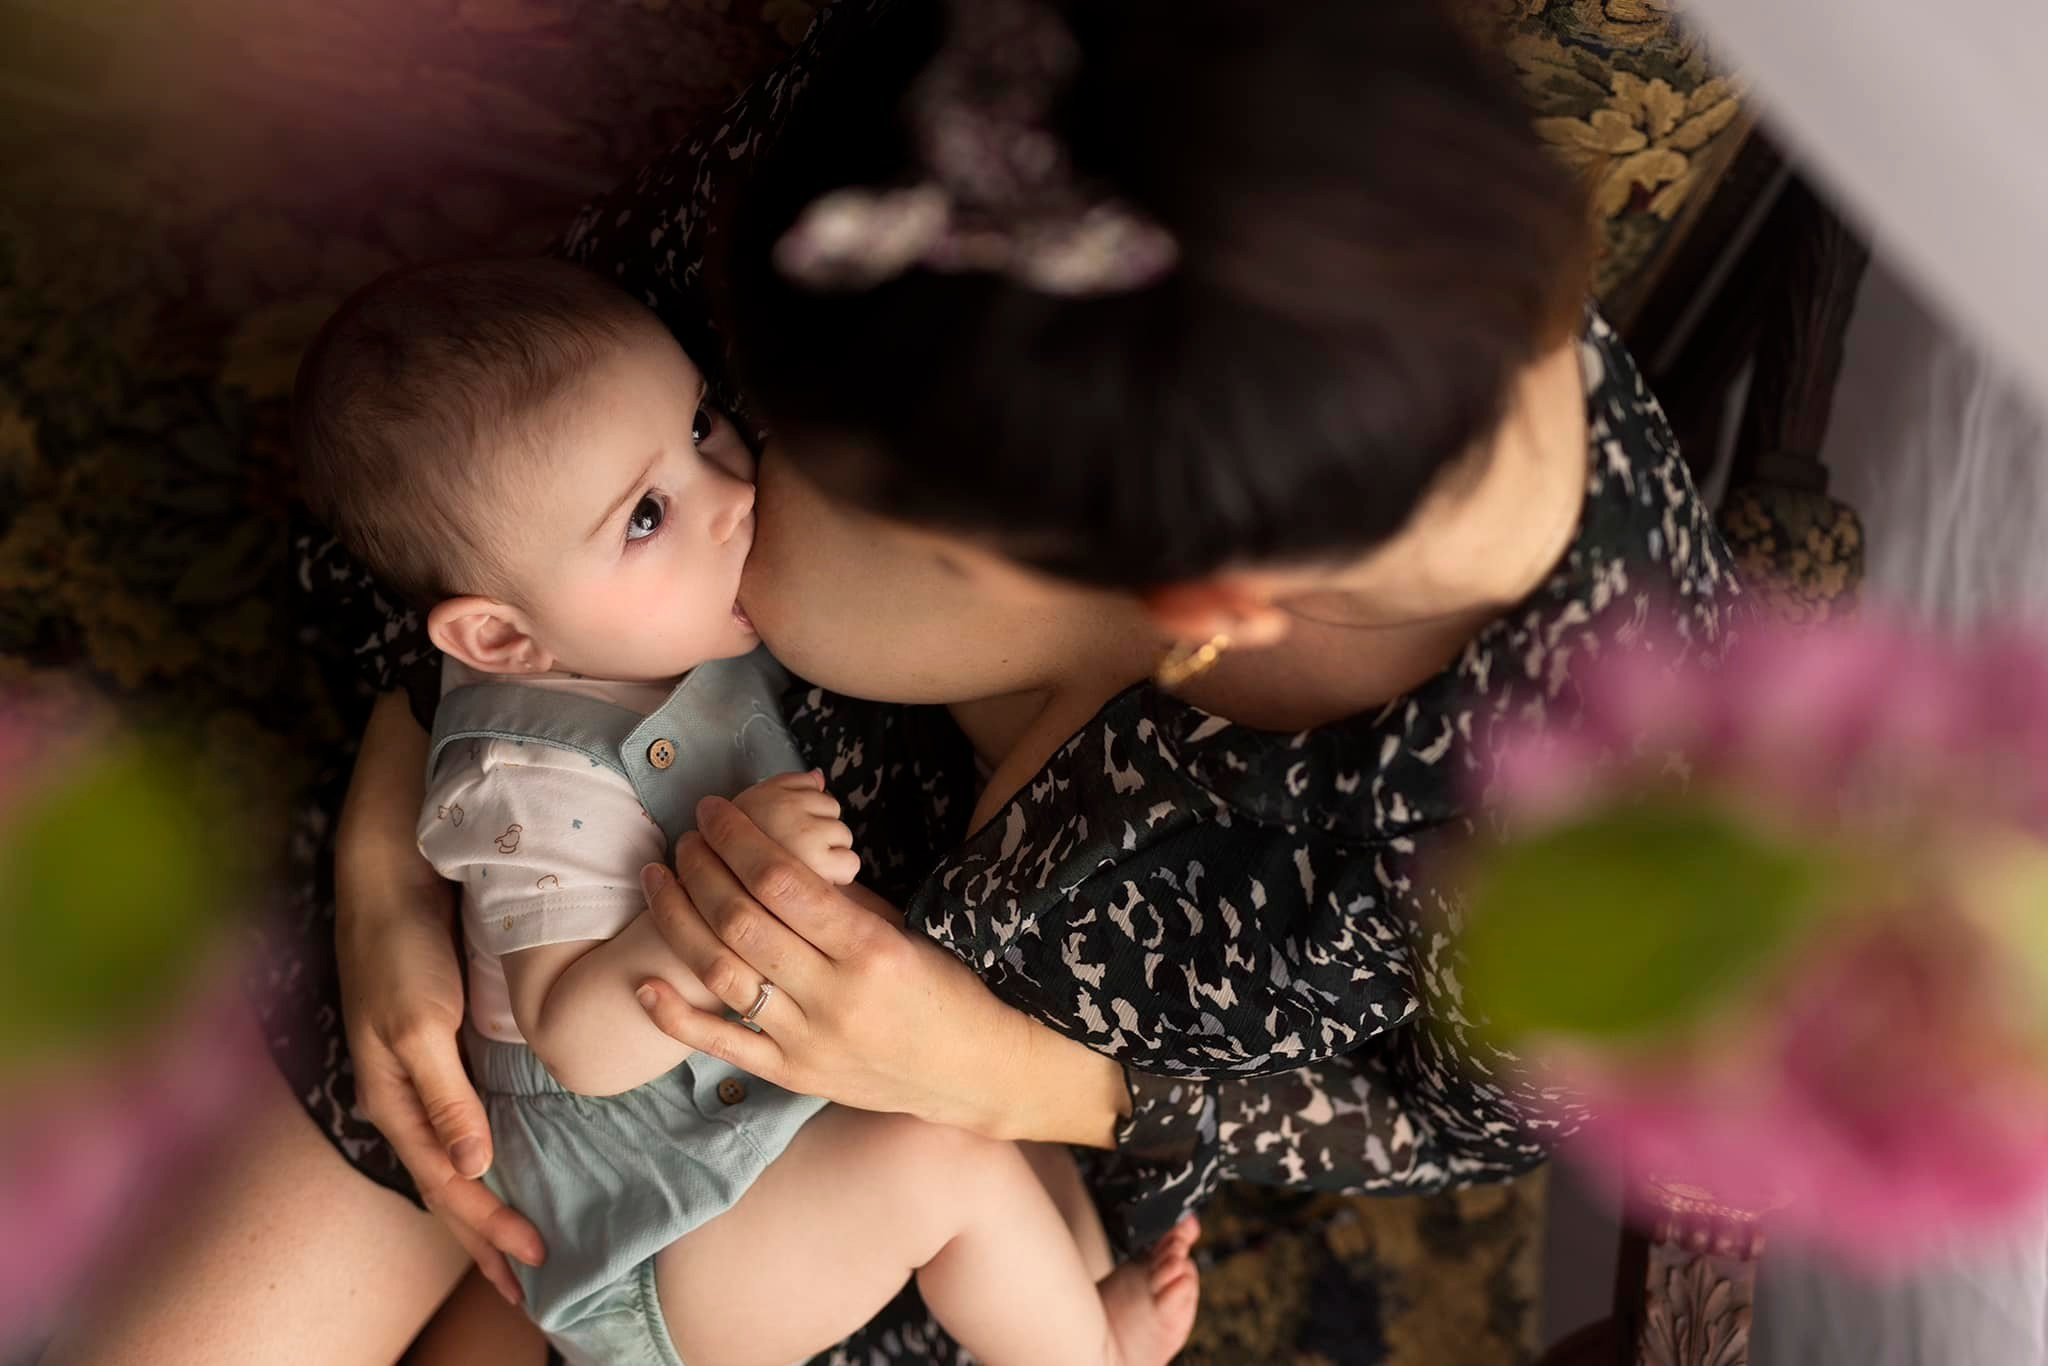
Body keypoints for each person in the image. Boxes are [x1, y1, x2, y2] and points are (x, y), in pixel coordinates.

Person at [39, 1, 1744, 1362]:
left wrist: (1031, 1083)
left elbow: (1467, 1120)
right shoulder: (991, 111)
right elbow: (475, 454)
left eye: (797, 466)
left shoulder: (1590, 801)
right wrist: (387, 844)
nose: (749, 478)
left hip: (888, 1214)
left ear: (1181, 606)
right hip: (540, 926)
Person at [287, 253, 1201, 1366]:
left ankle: (1063, 1308)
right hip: (657, 1234)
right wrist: (713, 902)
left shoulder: (649, 623)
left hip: (756, 1139)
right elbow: (578, 1037)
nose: (731, 499)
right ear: (502, 642)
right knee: (944, 1167)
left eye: (705, 426)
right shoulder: (528, 783)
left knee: (990, 1144)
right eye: (646, 516)